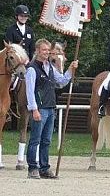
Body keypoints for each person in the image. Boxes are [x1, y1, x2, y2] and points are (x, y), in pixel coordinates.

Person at [26, 39, 78, 179]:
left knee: (46, 140)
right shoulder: (32, 69)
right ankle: (32, 167)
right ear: (37, 51)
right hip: (40, 108)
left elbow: (61, 81)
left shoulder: (49, 67)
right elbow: (30, 92)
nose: (47, 53)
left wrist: (70, 69)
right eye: (44, 50)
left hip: (50, 107)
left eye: (48, 50)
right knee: (35, 139)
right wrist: (34, 109)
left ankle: (44, 168)